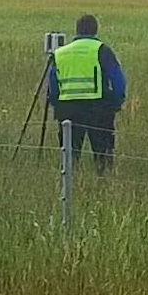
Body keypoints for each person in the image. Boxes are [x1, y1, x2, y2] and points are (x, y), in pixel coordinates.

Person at [47, 14, 126, 176]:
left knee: (69, 155)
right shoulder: (102, 50)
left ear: (77, 30)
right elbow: (118, 80)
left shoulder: (60, 53)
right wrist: (116, 103)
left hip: (67, 109)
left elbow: (52, 86)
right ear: (95, 30)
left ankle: (69, 184)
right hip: (98, 109)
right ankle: (104, 181)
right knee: (102, 154)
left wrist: (56, 104)